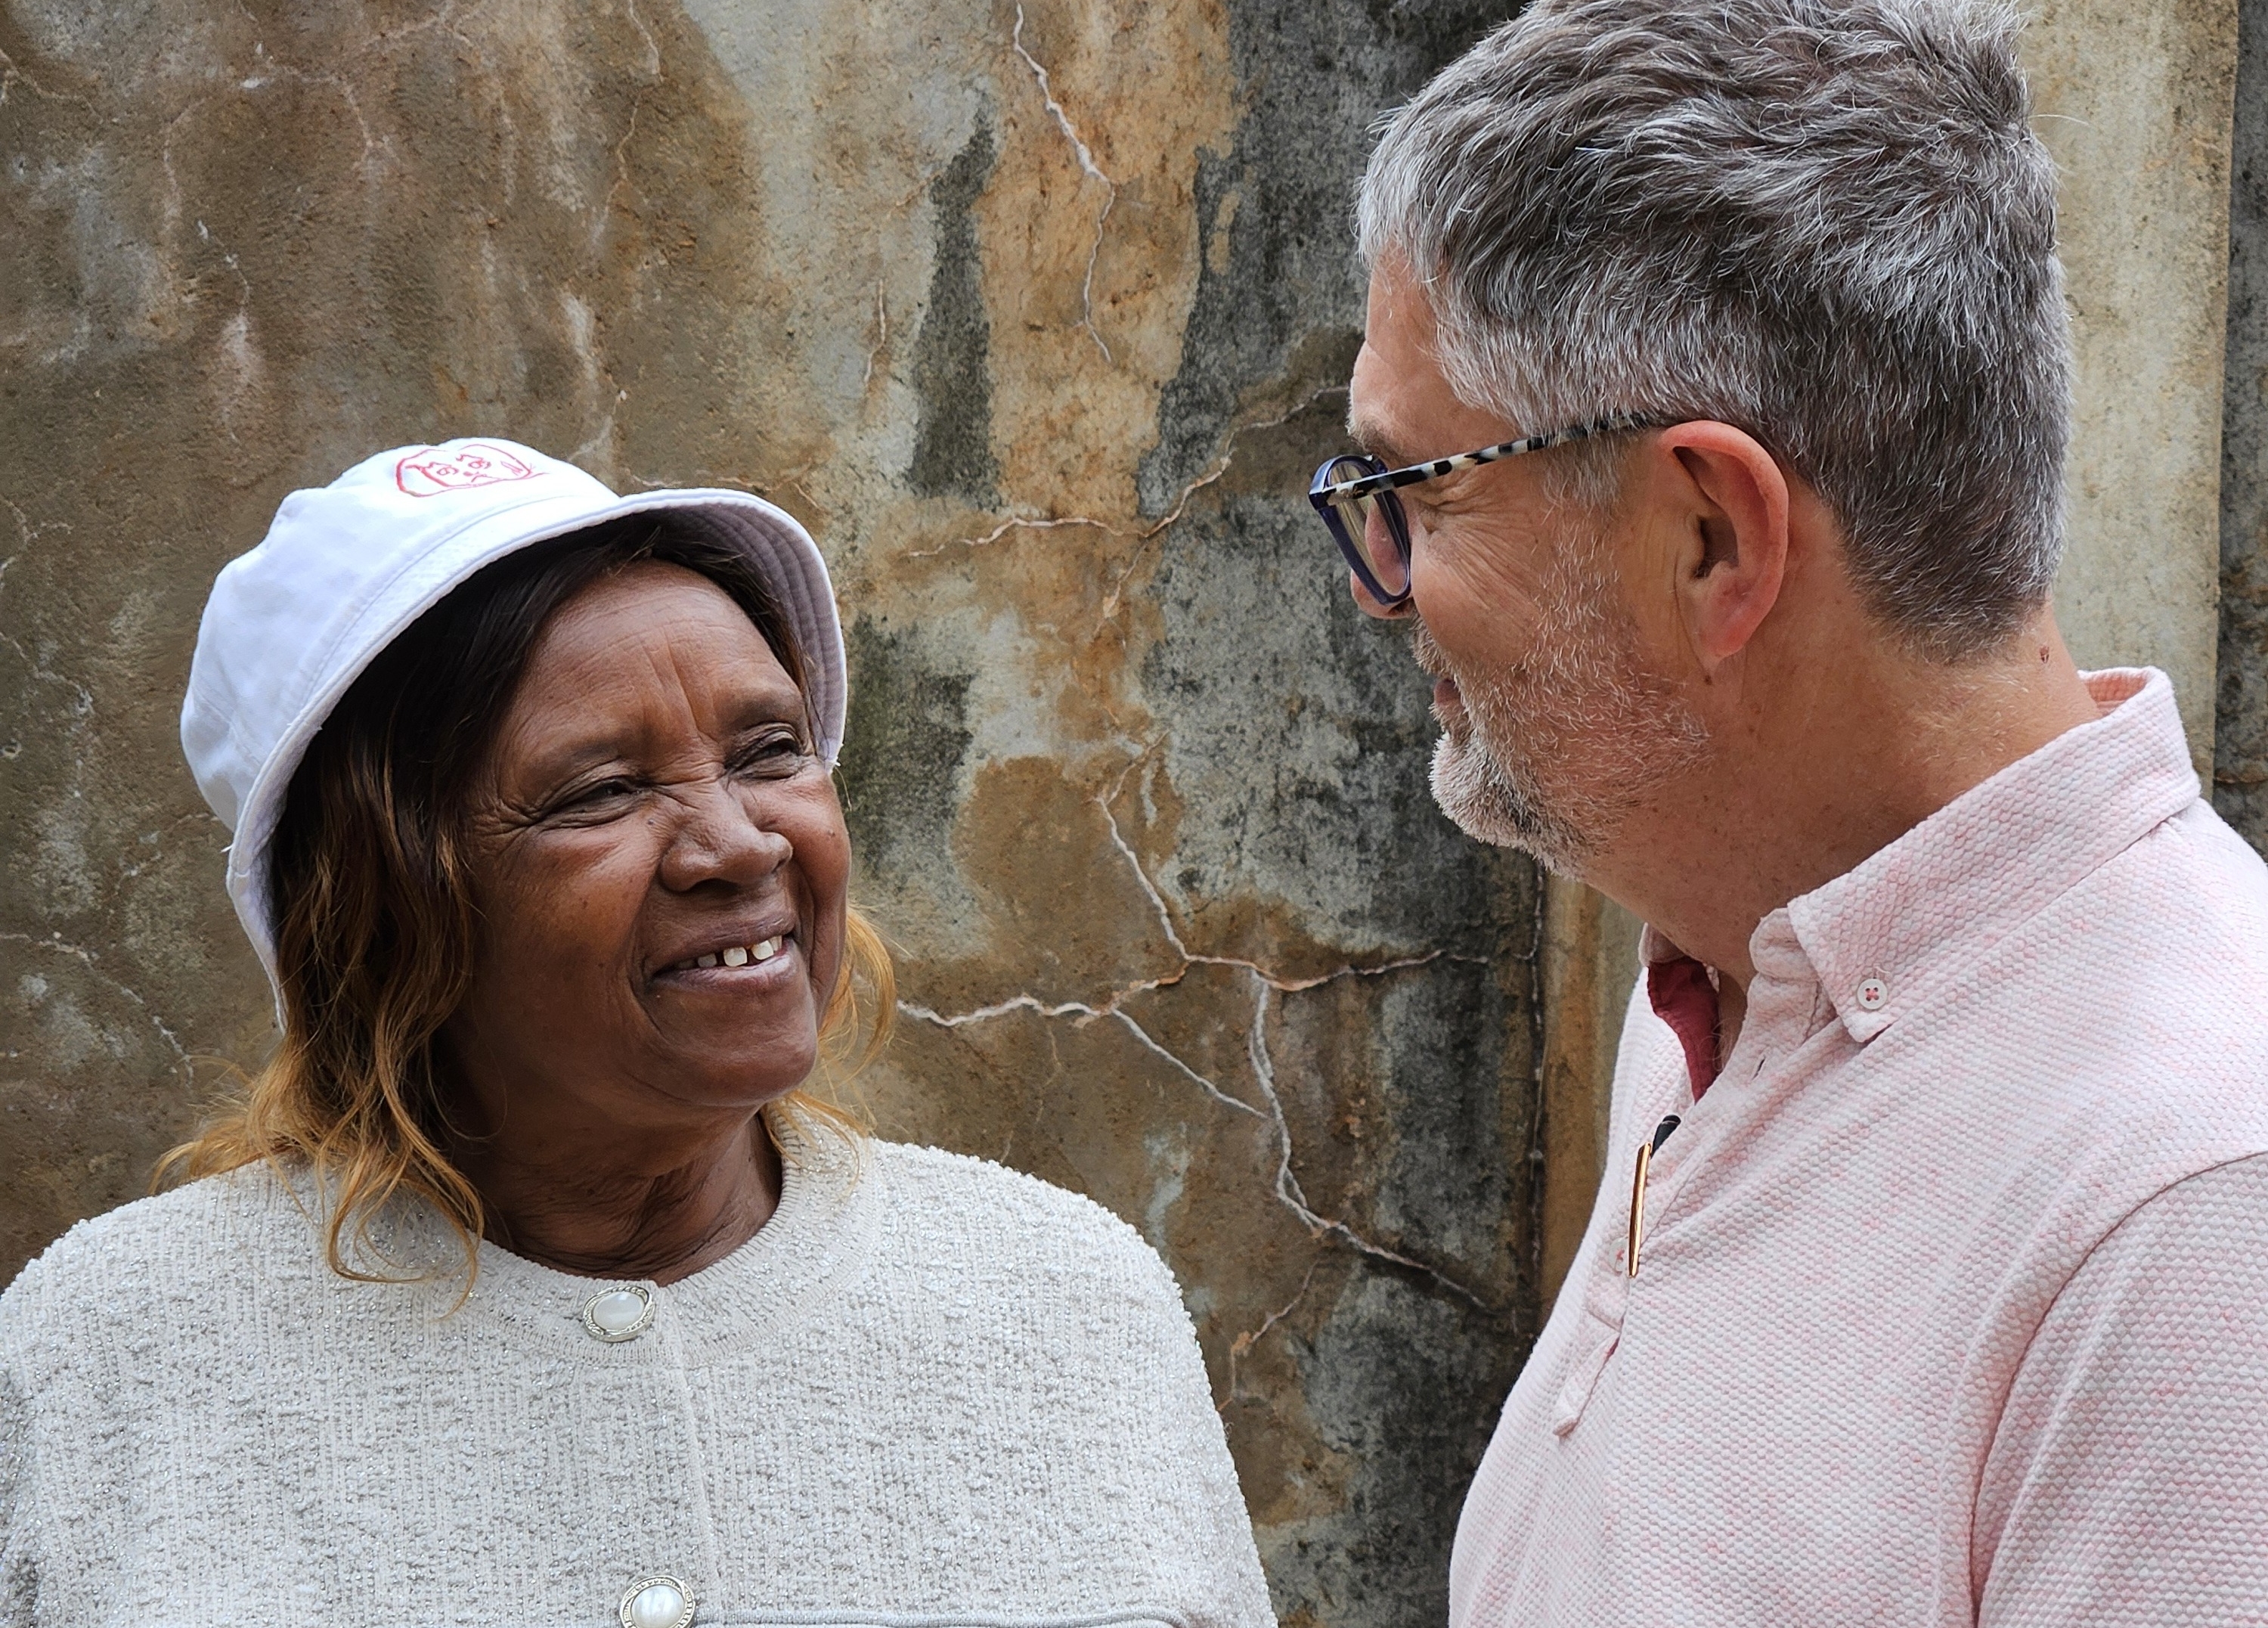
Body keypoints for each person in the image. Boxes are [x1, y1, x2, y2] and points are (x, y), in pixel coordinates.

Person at [1306, 1, 2268, 1623]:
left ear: (1710, 540)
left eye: (1419, 496)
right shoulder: (1728, 974)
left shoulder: (2189, 1220)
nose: (1383, 591)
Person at [0, 439, 1273, 1627]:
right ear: (376, 911)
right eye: (602, 790)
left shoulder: (1069, 1309)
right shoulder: (105, 1361)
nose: (739, 843)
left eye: (771, 749)